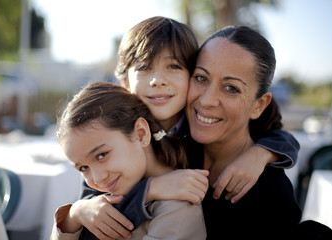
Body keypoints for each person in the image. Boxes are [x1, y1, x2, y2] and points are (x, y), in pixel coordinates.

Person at [52, 17, 300, 239]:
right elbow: (97, 197)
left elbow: (277, 134)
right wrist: (77, 212)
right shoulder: (123, 136)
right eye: (202, 78)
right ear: (125, 82)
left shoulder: (261, 184)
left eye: (173, 66)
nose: (207, 100)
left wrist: (262, 153)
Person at [185, 25, 301, 239]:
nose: (207, 100)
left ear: (259, 105)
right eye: (201, 78)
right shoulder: (172, 146)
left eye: (231, 88)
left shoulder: (270, 195)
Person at [50, 82, 207, 240]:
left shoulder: (176, 209)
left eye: (101, 155)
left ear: (141, 134)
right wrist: (74, 215)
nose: (98, 178)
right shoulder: (95, 199)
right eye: (83, 168)